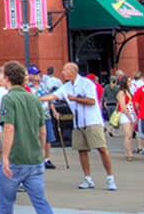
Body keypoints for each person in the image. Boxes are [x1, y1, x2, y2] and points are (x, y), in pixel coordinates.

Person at [0, 61, 62, 214]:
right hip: (34, 160)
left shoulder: (9, 98)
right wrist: (40, 153)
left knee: (6, 205)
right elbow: (42, 130)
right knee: (41, 203)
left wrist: (6, 157)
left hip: (16, 159)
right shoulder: (34, 99)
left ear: (7, 78)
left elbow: (9, 127)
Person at [41, 61, 116, 190]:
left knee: (101, 148)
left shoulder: (87, 84)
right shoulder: (66, 87)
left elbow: (92, 101)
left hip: (92, 121)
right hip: (78, 123)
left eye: (65, 70)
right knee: (82, 150)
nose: (62, 73)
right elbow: (55, 95)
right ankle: (88, 178)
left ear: (72, 71)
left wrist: (75, 99)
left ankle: (110, 178)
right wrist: (37, 99)